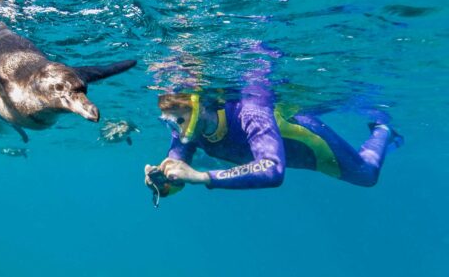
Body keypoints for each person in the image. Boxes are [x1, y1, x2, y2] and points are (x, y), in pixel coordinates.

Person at [144, 90, 403, 205]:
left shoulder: (249, 111)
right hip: (289, 157)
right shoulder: (187, 132)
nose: (176, 131)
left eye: (178, 120)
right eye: (169, 123)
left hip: (310, 145)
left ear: (199, 108)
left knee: (366, 175)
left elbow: (272, 169)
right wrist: (162, 182)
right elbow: (177, 170)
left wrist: (203, 176)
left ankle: (383, 129)